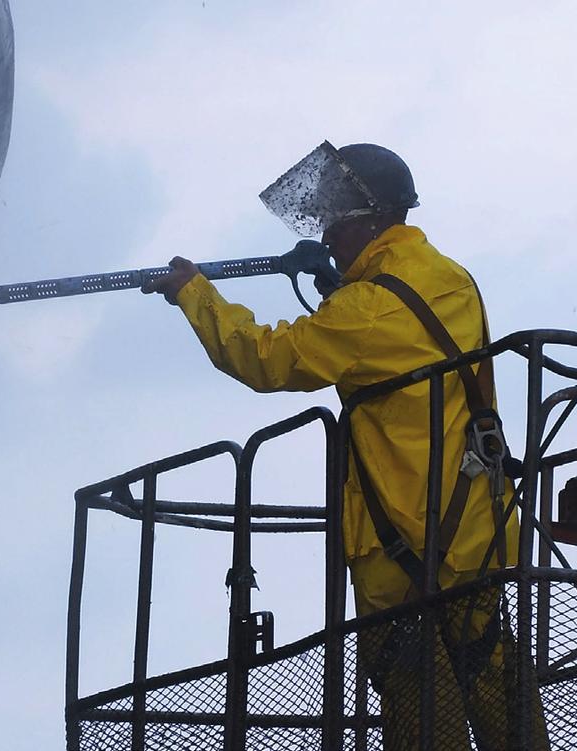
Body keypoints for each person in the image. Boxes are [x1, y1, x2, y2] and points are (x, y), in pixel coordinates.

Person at [142, 142, 547, 749]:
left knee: (418, 707)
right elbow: (392, 339)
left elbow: (268, 360)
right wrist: (338, 285)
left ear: (370, 219)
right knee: (496, 682)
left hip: (404, 545)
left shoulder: (366, 307)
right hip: (477, 528)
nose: (329, 236)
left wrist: (194, 293)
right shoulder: (447, 278)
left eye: (337, 223)